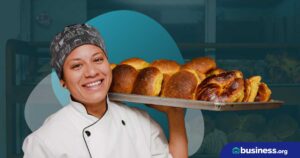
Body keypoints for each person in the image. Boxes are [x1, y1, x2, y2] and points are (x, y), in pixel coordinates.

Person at [22, 24, 188, 158]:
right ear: (63, 82)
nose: (92, 72)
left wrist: (175, 114)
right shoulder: (45, 141)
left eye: (98, 59)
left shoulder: (141, 123)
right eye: (77, 65)